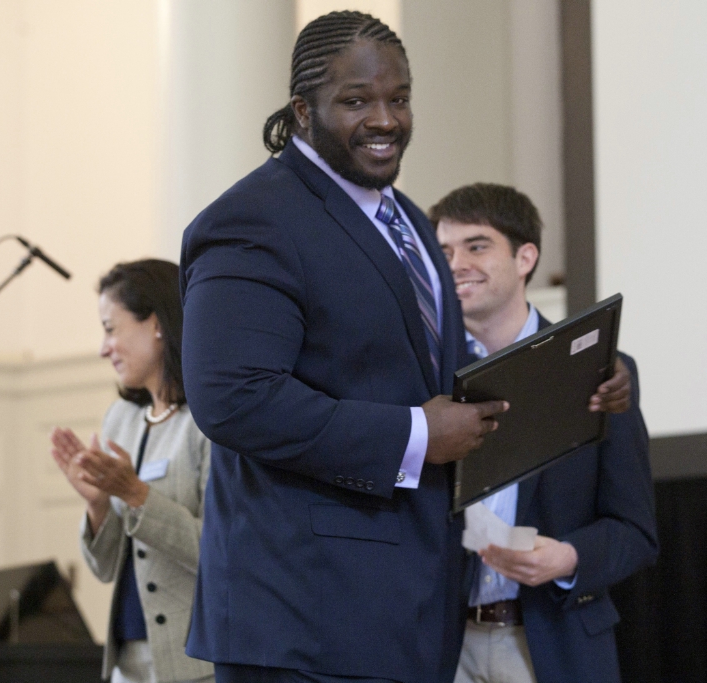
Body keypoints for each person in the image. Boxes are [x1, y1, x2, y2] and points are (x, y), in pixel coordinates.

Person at [178, 12, 629, 683]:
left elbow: (436, 375)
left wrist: (578, 382)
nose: (385, 119)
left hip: (409, 619)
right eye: (356, 101)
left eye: (399, 98)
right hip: (305, 624)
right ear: (303, 110)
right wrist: (413, 434)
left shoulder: (408, 218)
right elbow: (233, 398)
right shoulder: (254, 219)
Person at [429, 183, 659, 683]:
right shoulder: (423, 379)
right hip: (443, 649)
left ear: (525, 256)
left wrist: (569, 558)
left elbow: (635, 532)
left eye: (477, 245)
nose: (456, 263)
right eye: (444, 250)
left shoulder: (599, 373)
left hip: (555, 644)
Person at [50, 260, 214, 683]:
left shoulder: (208, 423)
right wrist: (98, 505)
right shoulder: (119, 419)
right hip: (127, 662)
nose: (104, 347)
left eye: (110, 328)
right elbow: (105, 569)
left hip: (194, 664)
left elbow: (222, 553)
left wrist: (137, 494)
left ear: (156, 324)